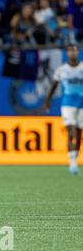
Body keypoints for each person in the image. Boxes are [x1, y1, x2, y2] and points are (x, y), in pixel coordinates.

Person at [44, 44, 83, 175]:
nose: (73, 53)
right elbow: (54, 85)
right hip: (67, 104)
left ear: (78, 53)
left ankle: (74, 158)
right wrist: (48, 100)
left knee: (78, 135)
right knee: (71, 131)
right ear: (67, 53)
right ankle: (72, 163)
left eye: (75, 51)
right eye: (70, 51)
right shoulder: (62, 70)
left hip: (81, 104)